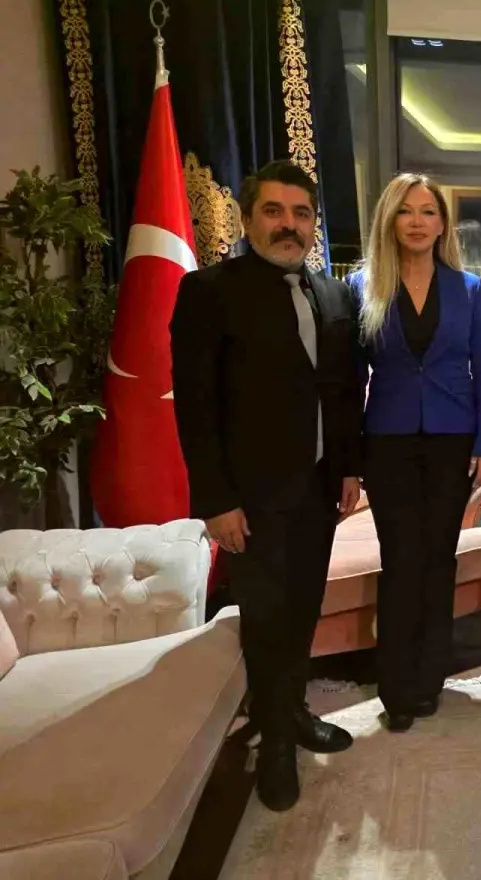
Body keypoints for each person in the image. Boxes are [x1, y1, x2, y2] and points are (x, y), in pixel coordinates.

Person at [170, 160, 363, 812]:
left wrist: (349, 468)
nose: (289, 225)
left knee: (303, 607)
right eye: (275, 212)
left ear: (314, 224)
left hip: (318, 491)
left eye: (301, 214)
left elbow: (342, 393)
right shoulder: (208, 291)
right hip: (249, 500)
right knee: (265, 618)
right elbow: (195, 407)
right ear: (249, 218)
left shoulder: (333, 295)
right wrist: (216, 500)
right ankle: (275, 743)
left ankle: (294, 710)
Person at [347, 174, 481, 733]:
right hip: (386, 442)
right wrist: (349, 458)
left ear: (442, 224)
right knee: (400, 561)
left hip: (452, 441)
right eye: (406, 211)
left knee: (438, 560)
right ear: (390, 220)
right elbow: (350, 379)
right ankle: (396, 685)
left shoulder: (468, 289)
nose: (417, 221)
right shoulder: (362, 285)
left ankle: (430, 676)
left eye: (428, 211)